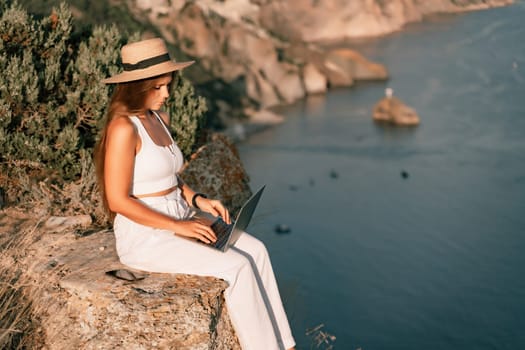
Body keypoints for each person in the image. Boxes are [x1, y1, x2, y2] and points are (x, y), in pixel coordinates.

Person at [94, 37, 296, 350]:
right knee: (237, 267)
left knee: (257, 251)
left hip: (181, 216)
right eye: (157, 87)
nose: (166, 94)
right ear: (136, 86)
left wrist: (198, 200)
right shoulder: (123, 128)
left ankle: (285, 344)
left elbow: (170, 178)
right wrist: (178, 226)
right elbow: (117, 200)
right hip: (147, 236)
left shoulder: (159, 118)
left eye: (168, 85)